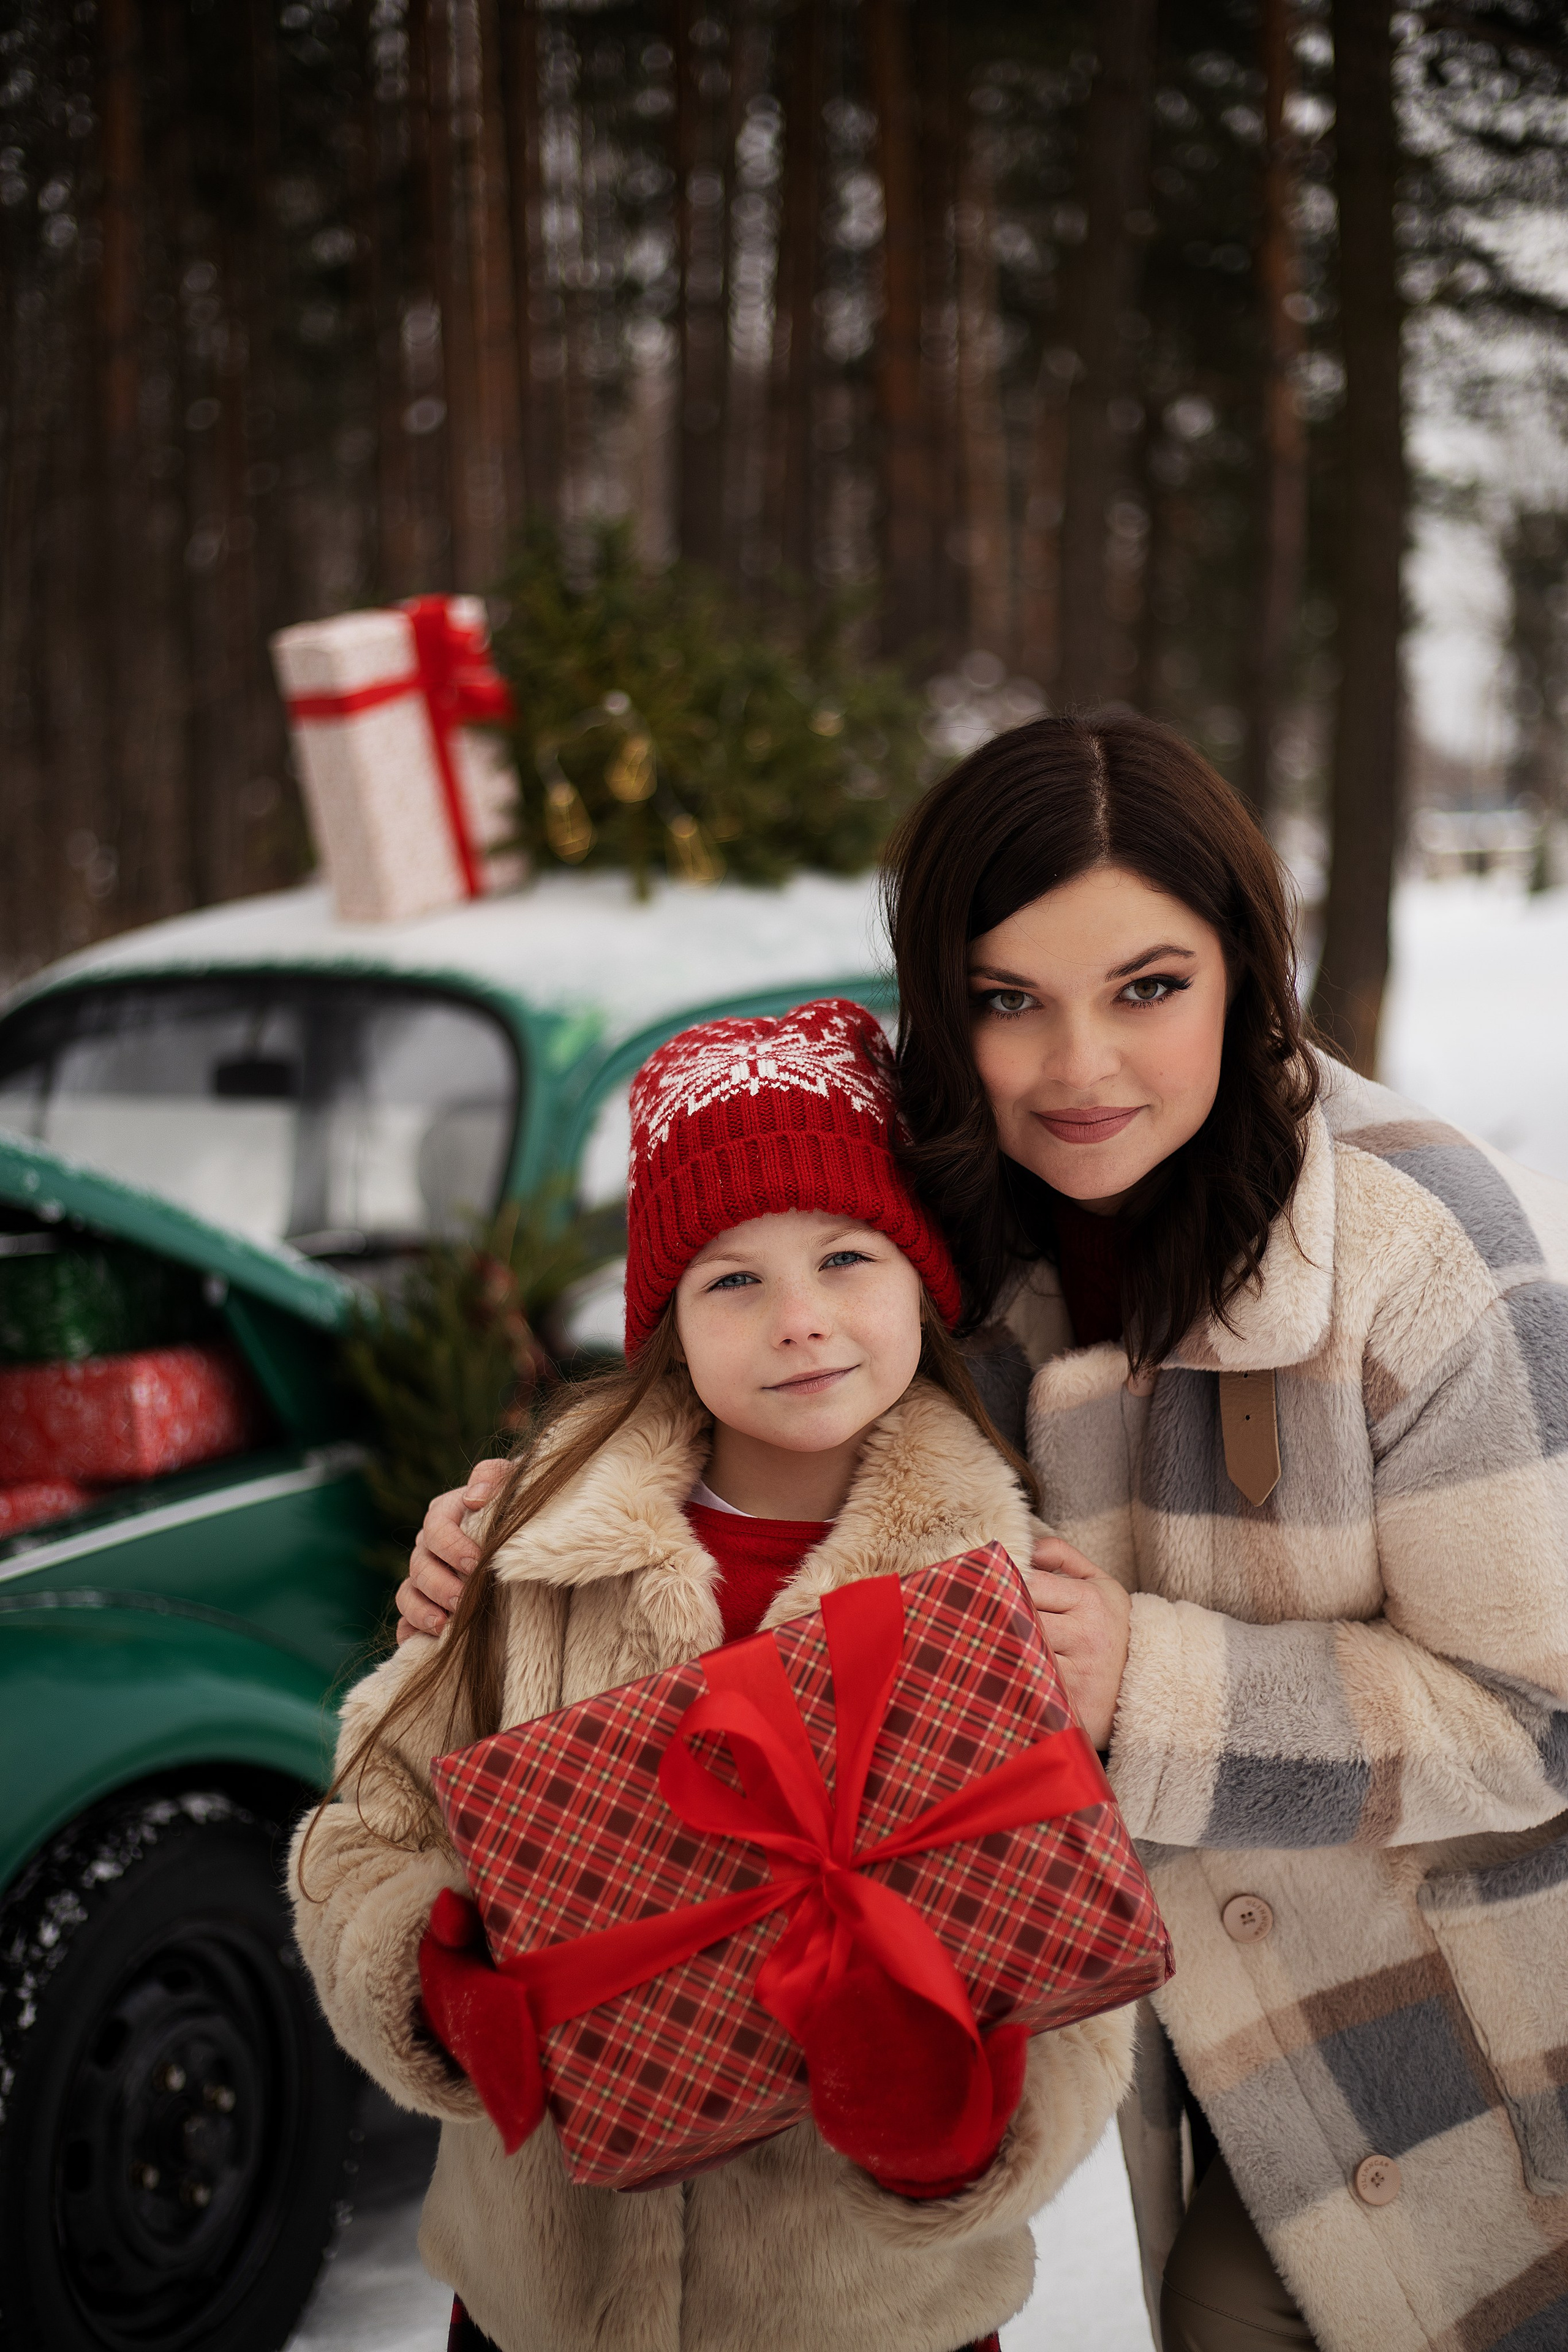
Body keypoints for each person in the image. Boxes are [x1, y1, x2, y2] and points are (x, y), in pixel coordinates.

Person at [403, 715, 1568, 2352]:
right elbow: (757, 1379)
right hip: (1197, 2062)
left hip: (1455, 2046)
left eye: (1146, 988)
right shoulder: (948, 1227)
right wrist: (530, 1519)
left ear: (1247, 971)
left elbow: (1535, 1716)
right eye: (1008, 1001)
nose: (1079, 1067)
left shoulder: (1414, 1248)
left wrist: (1143, 1684)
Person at [295, 997, 1136, 2352]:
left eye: (845, 1257)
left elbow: (1076, 1968)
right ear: (668, 1321)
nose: (800, 1320)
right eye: (731, 1280)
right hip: (537, 2319)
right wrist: (431, 1981)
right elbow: (362, 1835)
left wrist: (963, 2134)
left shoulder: (1005, 1594)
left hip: (876, 2330)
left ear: (918, 1276)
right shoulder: (534, 1547)